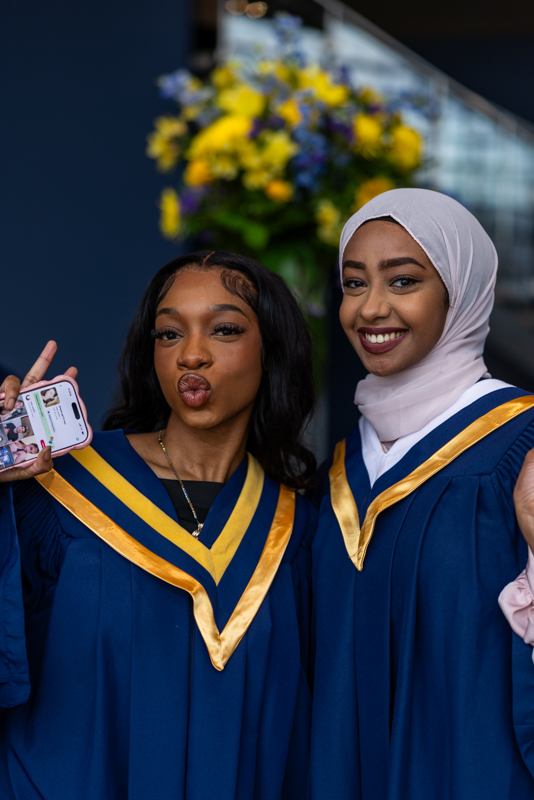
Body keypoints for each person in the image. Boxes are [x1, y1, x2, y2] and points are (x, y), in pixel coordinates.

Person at [0, 250, 316, 800]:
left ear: (271, 351)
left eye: (223, 329)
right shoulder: (60, 491)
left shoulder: (296, 529)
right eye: (169, 335)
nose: (191, 355)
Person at [310, 189, 534, 799]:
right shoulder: (341, 469)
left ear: (458, 293)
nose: (370, 309)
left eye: (403, 282)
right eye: (354, 284)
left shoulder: (518, 445)